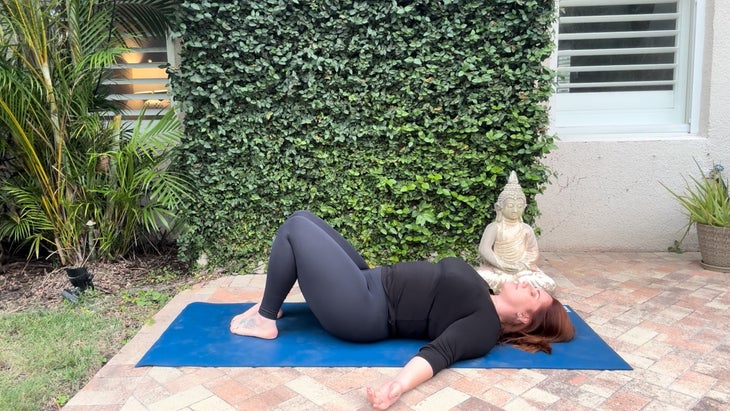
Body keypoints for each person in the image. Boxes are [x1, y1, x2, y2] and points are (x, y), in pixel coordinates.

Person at [230, 210, 574, 410]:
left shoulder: (483, 327)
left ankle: (264, 319)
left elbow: (438, 354)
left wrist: (396, 386)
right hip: (367, 280)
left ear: (525, 317)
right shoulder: (484, 292)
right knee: (304, 218)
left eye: (534, 294)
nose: (529, 284)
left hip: (361, 310)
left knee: (295, 229)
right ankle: (270, 308)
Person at [477, 171, 557, 293]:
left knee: (548, 284)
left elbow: (532, 252)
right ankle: (517, 289)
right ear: (498, 207)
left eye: (519, 206)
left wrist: (522, 265)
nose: (515, 210)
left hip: (522, 271)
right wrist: (501, 264)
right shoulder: (494, 227)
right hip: (498, 270)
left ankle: (510, 288)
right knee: (480, 279)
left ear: (524, 207)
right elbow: (484, 249)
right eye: (510, 206)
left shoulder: (526, 229)